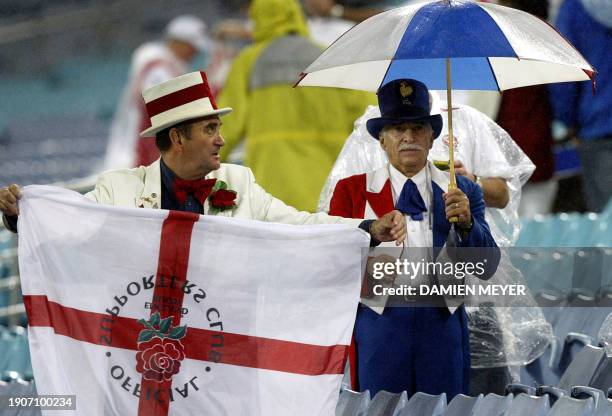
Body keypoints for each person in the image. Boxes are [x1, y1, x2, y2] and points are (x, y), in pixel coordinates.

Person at [1, 71, 405, 252]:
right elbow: (71, 217)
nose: (222, 139)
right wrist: (25, 213)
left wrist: (367, 227)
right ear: (177, 137)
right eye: (210, 129)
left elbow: (301, 223)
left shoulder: (239, 182)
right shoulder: (118, 189)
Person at [328, 78, 500, 398]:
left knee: (444, 408)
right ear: (381, 140)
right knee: (378, 408)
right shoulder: (350, 190)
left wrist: (467, 224)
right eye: (397, 129)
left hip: (443, 322)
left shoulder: (462, 190)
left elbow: (487, 266)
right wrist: (369, 235)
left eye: (418, 128)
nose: (408, 137)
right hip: (380, 323)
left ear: (432, 137)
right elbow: (331, 261)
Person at [217, 0, 375, 212]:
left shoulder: (249, 62)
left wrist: (198, 170)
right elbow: (368, 116)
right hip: (330, 186)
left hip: (270, 186)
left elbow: (226, 126)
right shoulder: (330, 57)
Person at [103, 15, 211, 171]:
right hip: (137, 152)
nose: (194, 53)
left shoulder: (167, 65)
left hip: (145, 150)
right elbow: (160, 107)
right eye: (191, 46)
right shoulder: (158, 66)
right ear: (178, 42)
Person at [548, 0, 612, 212]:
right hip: (596, 127)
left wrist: (569, 121)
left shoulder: (574, 7)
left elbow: (564, 71)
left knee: (606, 225)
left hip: (597, 127)